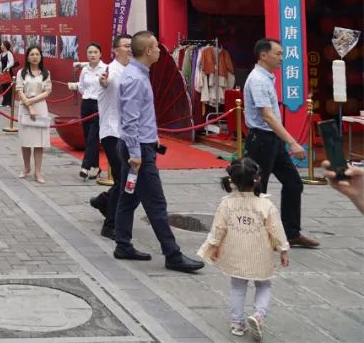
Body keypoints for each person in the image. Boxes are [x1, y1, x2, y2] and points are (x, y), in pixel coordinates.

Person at [115, 31, 204, 272]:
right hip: (138, 150)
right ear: (147, 51)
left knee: (129, 196)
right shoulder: (135, 78)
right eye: (155, 47)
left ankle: (122, 244)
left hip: (139, 145)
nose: (158, 50)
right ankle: (172, 254)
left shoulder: (139, 74)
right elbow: (130, 121)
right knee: (156, 203)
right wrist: (136, 154)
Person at [198, 158, 289, 339]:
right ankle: (259, 315)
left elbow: (218, 228)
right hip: (260, 254)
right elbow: (276, 229)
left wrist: (214, 246)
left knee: (237, 287)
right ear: (257, 179)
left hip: (235, 254)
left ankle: (237, 323)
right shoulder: (266, 205)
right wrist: (283, 249)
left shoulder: (227, 204)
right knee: (263, 284)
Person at [242, 38, 319, 248]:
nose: (282, 58)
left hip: (273, 140)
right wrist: (292, 142)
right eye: (278, 54)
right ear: (263, 55)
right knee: (258, 188)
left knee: (293, 183)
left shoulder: (267, 77)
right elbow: (267, 116)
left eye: (282, 53)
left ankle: (291, 233)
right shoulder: (258, 79)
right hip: (261, 140)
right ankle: (252, 235)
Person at [91, 35, 131, 240]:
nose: (130, 49)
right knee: (123, 179)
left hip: (127, 133)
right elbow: (105, 82)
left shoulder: (132, 70)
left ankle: (104, 201)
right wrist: (103, 81)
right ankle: (110, 225)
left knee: (125, 179)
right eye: (126, 46)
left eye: (132, 46)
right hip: (111, 132)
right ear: (115, 49)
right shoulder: (110, 71)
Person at [69, 43, 108, 181]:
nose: (92, 55)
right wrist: (86, 94)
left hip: (99, 105)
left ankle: (85, 167)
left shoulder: (105, 68)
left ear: (100, 54)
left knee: (93, 136)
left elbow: (107, 86)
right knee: (88, 137)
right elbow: (81, 86)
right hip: (86, 104)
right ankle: (96, 168)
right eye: (90, 52)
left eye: (95, 52)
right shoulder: (85, 70)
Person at [16, 45, 51, 183]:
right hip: (25, 108)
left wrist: (31, 101)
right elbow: (19, 90)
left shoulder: (46, 73)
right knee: (25, 141)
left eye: (37, 54)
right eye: (32, 54)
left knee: (39, 142)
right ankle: (26, 168)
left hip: (40, 107)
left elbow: (47, 91)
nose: (35, 57)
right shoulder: (21, 73)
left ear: (41, 56)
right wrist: (29, 105)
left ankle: (38, 172)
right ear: (27, 57)